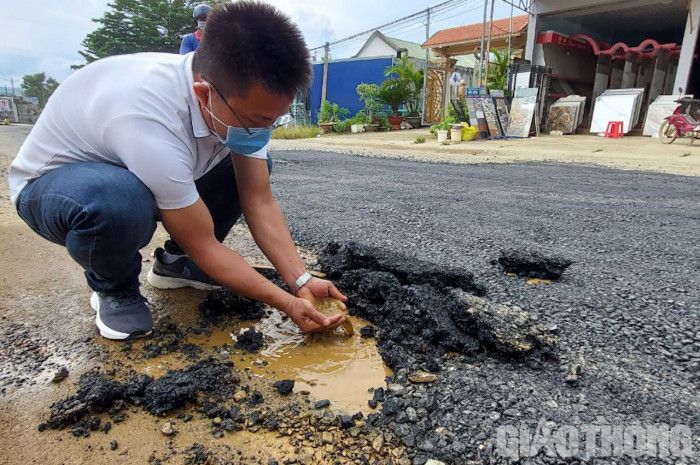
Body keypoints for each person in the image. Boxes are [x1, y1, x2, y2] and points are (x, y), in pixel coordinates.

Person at [8, 1, 347, 341]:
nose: (264, 132)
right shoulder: (148, 118)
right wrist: (287, 303)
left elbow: (258, 201)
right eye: (258, 122)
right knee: (118, 199)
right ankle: (115, 289)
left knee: (241, 166)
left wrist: (301, 280)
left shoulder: (236, 100)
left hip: (141, 173)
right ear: (204, 94)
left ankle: (176, 264)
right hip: (57, 187)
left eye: (274, 121)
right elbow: (204, 242)